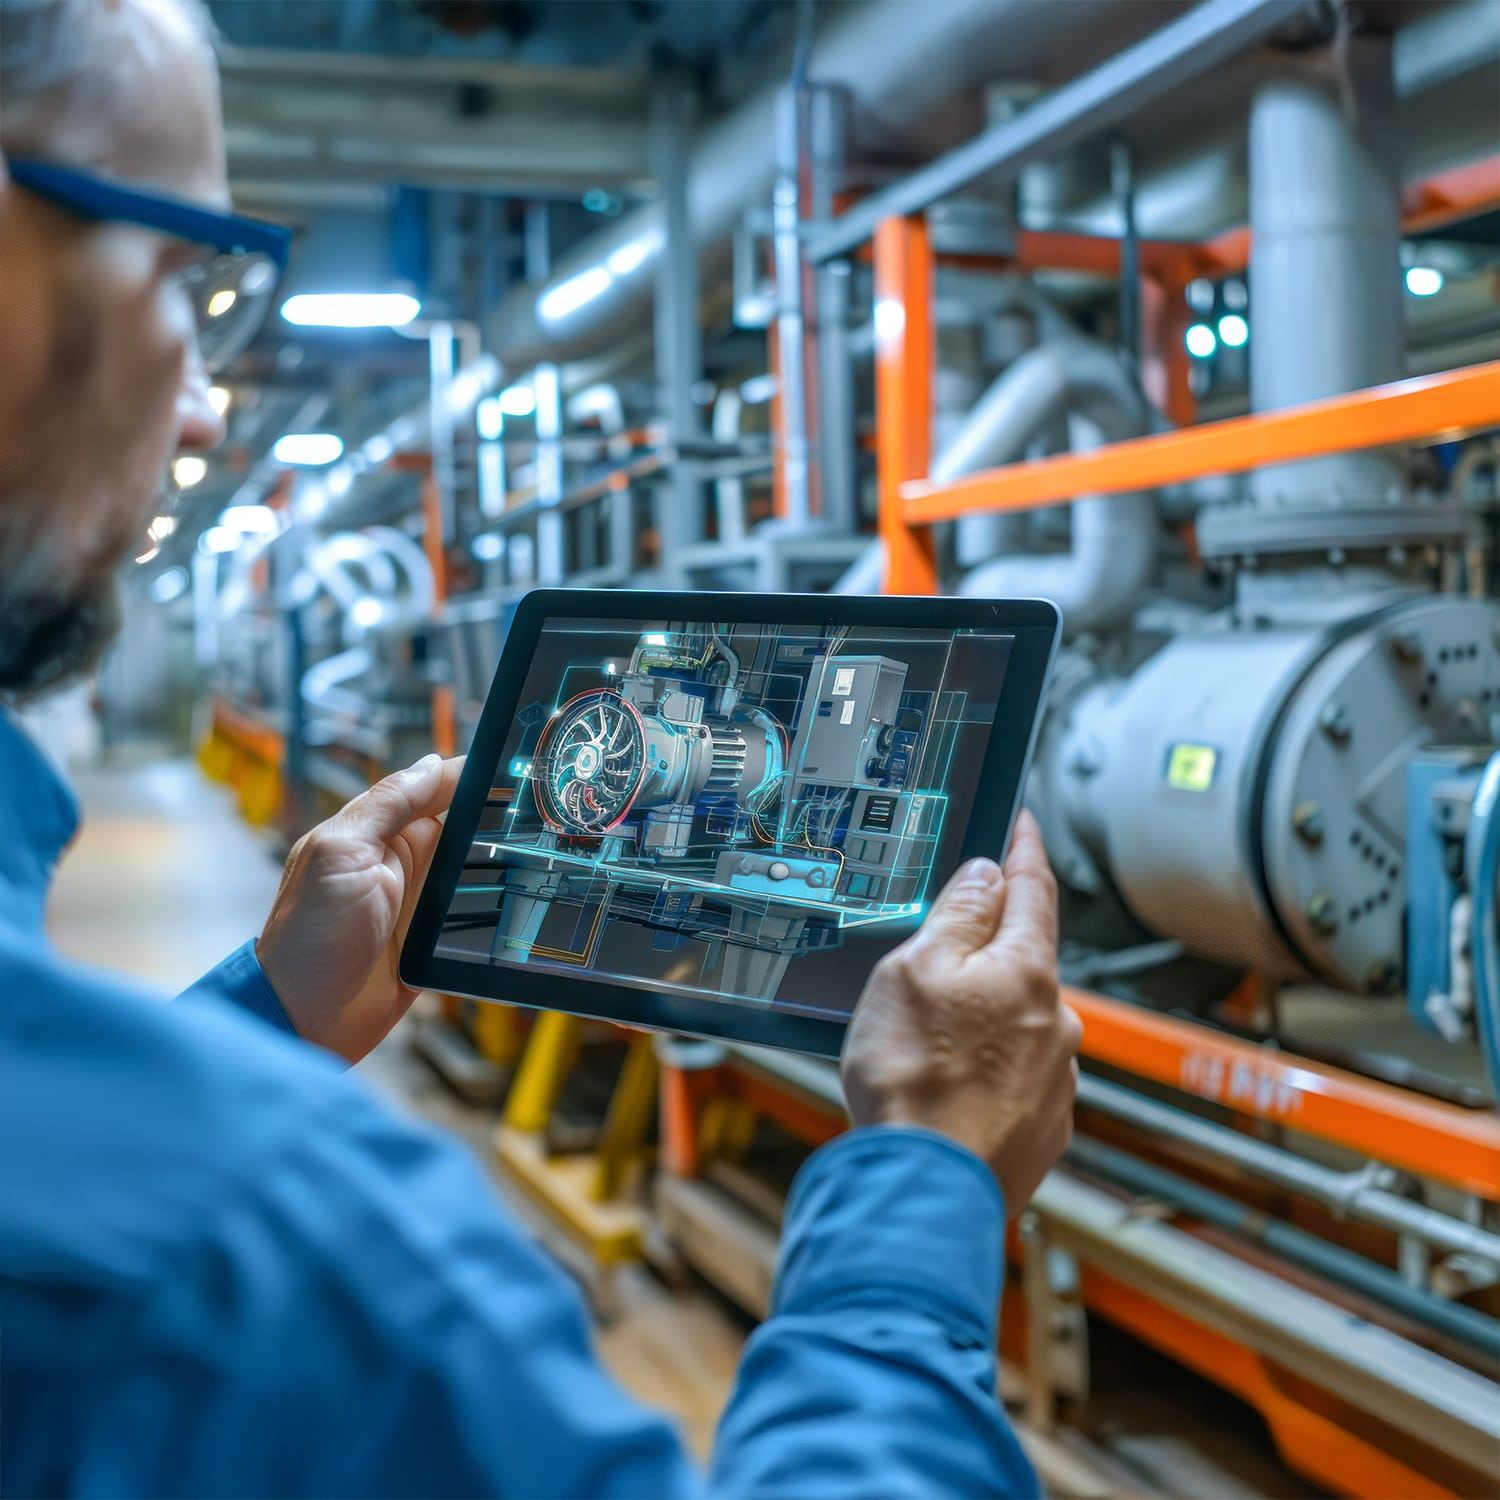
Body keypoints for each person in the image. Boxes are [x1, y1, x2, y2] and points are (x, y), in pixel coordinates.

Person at [0, 0, 1082, 1494]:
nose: (198, 414)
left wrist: (265, 1014)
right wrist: (925, 1184)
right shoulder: (262, 1258)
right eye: (186, 273)